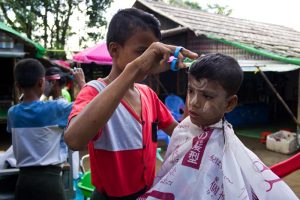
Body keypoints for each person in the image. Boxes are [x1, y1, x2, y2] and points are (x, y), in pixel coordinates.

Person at [64, 8, 198, 200]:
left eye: (153, 53)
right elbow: (74, 140)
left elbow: (180, 133)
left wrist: (194, 88)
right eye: (142, 52)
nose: (148, 60)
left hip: (146, 193)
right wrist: (134, 70)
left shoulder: (147, 94)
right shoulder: (94, 91)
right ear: (114, 50)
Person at [139, 53, 298, 199]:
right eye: (191, 91)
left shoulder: (225, 147)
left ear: (229, 103)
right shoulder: (183, 128)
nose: (193, 102)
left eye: (206, 96)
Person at [6, 59, 72, 200]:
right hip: (50, 183)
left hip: (23, 182)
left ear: (17, 86)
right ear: (42, 83)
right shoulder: (55, 108)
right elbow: (85, 105)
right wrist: (81, 83)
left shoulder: (12, 113)